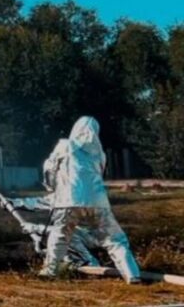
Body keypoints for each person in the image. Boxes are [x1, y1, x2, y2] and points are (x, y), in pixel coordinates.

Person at [39, 116, 142, 283]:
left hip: (68, 201)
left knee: (60, 235)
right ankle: (132, 275)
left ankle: (49, 271)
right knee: (115, 240)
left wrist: (51, 187)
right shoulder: (99, 153)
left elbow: (49, 168)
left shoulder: (65, 145)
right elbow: (97, 176)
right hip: (98, 202)